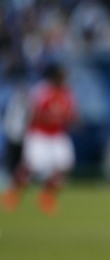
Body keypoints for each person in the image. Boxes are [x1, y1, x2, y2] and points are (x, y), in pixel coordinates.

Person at [2, 62, 78, 215]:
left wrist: (69, 119)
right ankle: (13, 194)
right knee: (30, 167)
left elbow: (72, 114)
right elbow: (31, 113)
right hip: (39, 134)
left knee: (65, 165)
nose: (65, 78)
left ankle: (47, 196)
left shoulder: (67, 92)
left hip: (57, 134)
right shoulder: (42, 91)